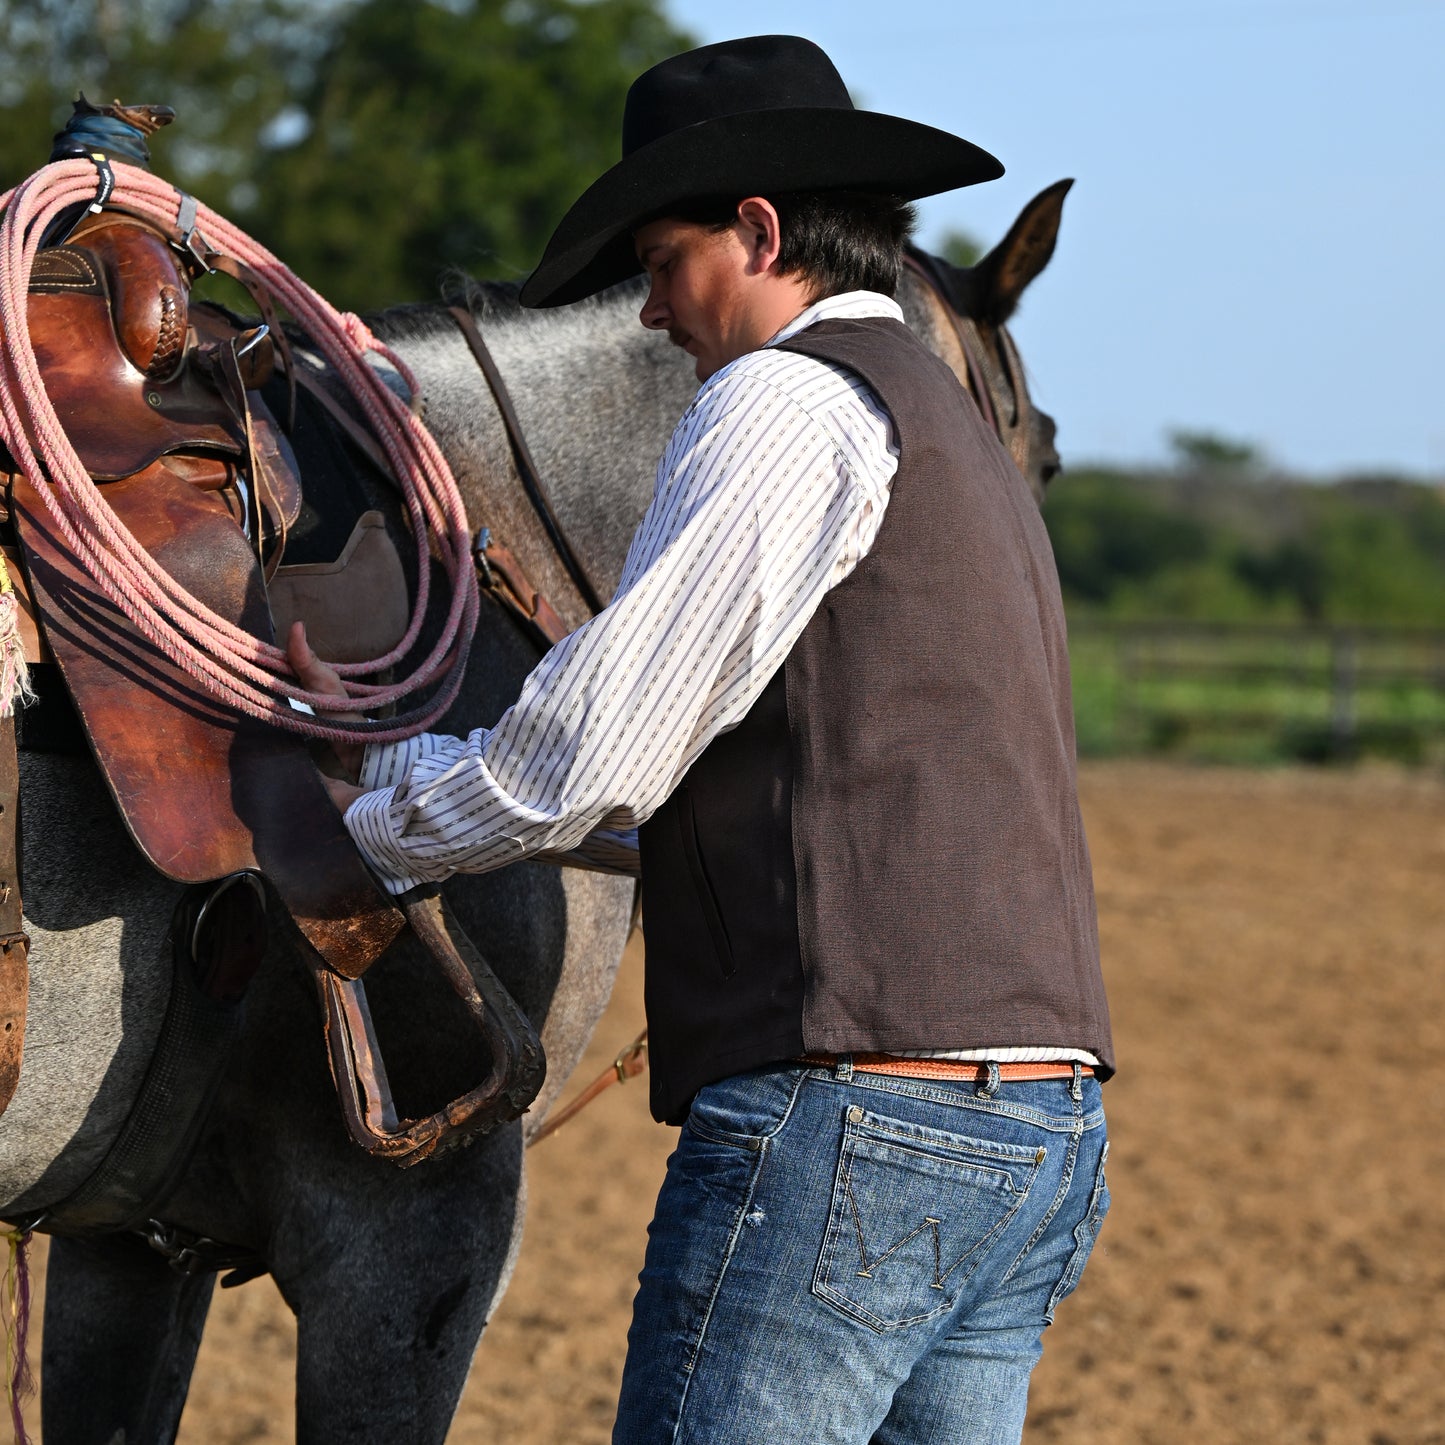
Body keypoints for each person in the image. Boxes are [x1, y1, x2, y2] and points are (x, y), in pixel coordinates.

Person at [292, 34, 1113, 1444]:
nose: (650, 313)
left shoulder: (787, 399)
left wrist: (355, 818)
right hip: (1038, 1126)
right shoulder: (960, 434)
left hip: (852, 1120)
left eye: (659, 264)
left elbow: (583, 754)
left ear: (758, 230)